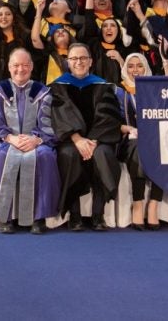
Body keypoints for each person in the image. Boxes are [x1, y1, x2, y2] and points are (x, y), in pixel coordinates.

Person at [0, 48, 59, 234]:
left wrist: (36, 139)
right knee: (3, 155)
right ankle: (5, 217)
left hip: (36, 141)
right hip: (7, 140)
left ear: (32, 67)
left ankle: (38, 218)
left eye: (25, 65)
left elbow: (49, 122)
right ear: (9, 67)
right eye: (16, 65)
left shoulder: (43, 92)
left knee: (45, 156)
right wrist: (10, 138)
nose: (20, 69)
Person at [50, 42, 124, 231]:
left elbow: (109, 116)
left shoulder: (102, 86)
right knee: (69, 156)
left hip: (99, 139)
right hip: (70, 140)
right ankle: (75, 216)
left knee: (103, 155)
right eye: (74, 58)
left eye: (83, 58)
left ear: (90, 61)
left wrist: (93, 141)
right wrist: (77, 139)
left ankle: (98, 215)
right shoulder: (58, 86)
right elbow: (59, 116)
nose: (79, 62)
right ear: (68, 62)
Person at [116, 52, 163, 230]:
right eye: (131, 66)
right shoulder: (118, 91)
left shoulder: (155, 90)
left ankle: (154, 205)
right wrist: (128, 128)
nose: (135, 70)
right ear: (125, 69)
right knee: (139, 148)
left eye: (139, 65)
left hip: (154, 137)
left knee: (163, 147)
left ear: (146, 68)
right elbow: (112, 120)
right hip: (127, 140)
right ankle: (138, 204)